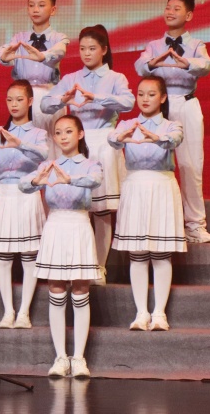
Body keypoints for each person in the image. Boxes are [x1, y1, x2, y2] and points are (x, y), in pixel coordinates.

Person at [42, 25, 134, 284]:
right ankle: (75, 264)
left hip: (104, 143)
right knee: (79, 209)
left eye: (92, 48)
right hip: (76, 147)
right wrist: (64, 99)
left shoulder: (115, 78)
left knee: (102, 210)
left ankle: (99, 267)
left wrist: (97, 97)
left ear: (104, 50)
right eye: (82, 48)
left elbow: (128, 102)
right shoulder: (71, 78)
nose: (86, 53)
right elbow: (45, 104)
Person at [19, 115, 103, 379]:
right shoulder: (48, 165)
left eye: (68, 131)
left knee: (80, 289)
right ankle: (60, 357)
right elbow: (23, 184)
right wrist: (37, 181)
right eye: (58, 132)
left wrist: (70, 179)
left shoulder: (90, 164)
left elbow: (95, 180)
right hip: (55, 225)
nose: (63, 137)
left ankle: (79, 358)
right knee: (55, 289)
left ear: (80, 134)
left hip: (78, 225)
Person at [134, 0, 210, 243]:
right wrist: (155, 62)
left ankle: (195, 225)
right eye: (168, 8)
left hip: (186, 103)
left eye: (176, 9)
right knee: (154, 163)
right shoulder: (154, 46)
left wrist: (186, 62)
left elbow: (207, 65)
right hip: (158, 106)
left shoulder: (196, 45)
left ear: (188, 15)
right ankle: (156, 224)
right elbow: (140, 66)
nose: (170, 12)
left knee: (191, 165)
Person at [0, 80, 48, 329]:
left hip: (27, 194)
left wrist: (19, 143)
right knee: (2, 256)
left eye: (19, 99)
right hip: (4, 194)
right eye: (10, 100)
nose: (14, 104)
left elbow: (44, 154)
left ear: (30, 101)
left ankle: (24, 312)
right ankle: (8, 311)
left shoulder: (37, 133)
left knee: (28, 255)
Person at [110, 76, 186, 331]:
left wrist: (153, 136)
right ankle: (141, 312)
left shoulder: (171, 125)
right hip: (135, 186)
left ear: (162, 98)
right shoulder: (127, 124)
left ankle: (159, 313)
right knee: (138, 253)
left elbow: (174, 140)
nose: (144, 99)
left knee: (161, 252)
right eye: (141, 94)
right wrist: (124, 135)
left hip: (161, 186)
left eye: (151, 94)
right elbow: (113, 139)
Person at [0, 0, 69, 156]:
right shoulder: (19, 38)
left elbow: (60, 51)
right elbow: (3, 53)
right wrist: (4, 56)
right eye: (31, 5)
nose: (35, 10)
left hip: (50, 97)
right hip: (24, 97)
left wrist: (42, 56)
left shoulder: (59, 37)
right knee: (25, 144)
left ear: (53, 10)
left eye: (41, 5)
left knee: (52, 144)